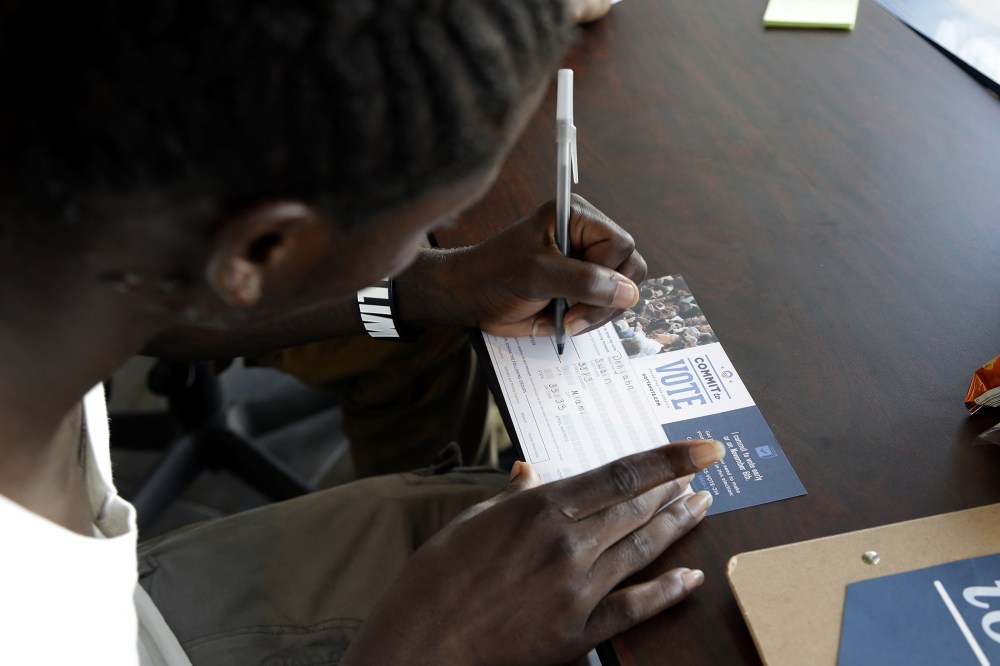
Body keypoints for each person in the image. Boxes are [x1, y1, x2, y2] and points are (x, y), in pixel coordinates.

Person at [0, 1, 726, 664]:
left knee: (531, 526)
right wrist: (428, 647)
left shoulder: (63, 262)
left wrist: (428, 285)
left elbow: (148, 312)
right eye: (417, 231)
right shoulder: (34, 620)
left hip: (124, 593)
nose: (422, 248)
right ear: (259, 253)